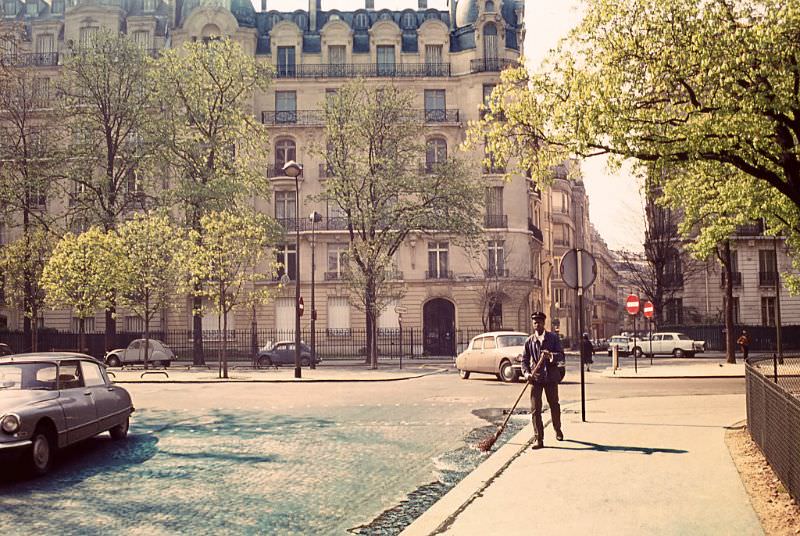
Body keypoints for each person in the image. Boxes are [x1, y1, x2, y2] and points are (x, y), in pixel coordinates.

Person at [521, 311, 566, 449]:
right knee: (535, 409)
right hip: (536, 379)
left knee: (554, 405)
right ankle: (538, 439)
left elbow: (561, 356)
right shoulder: (529, 341)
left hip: (551, 378)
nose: (537, 324)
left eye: (539, 322)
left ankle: (557, 429)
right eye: (534, 322)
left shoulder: (553, 338)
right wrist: (526, 373)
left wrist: (551, 355)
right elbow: (524, 361)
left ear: (544, 323)